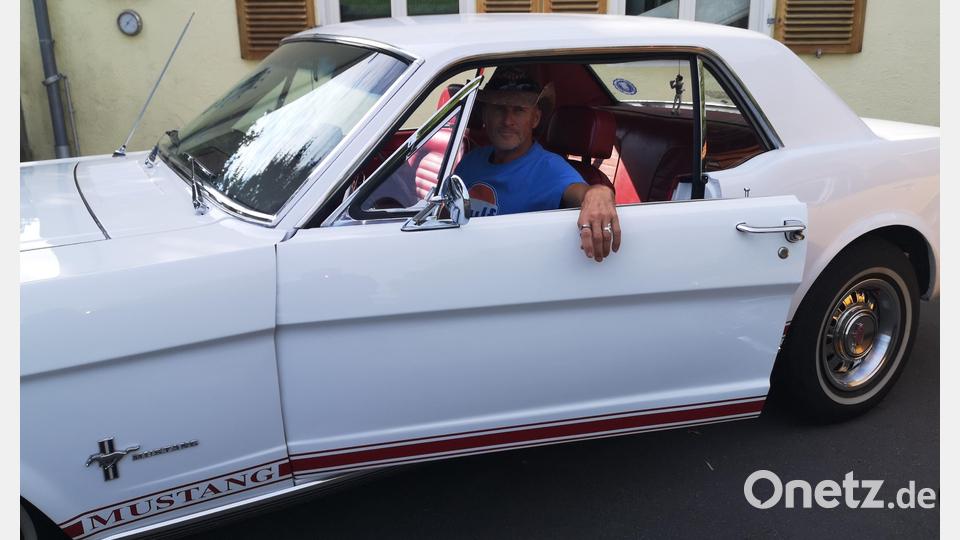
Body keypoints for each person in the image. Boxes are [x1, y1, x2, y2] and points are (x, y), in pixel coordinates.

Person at [453, 67, 621, 263]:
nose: (508, 121)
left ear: (535, 118)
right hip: (465, 259)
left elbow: (581, 192)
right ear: (485, 115)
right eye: (499, 108)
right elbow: (445, 214)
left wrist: (599, 193)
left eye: (519, 110)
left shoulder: (550, 168)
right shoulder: (471, 162)